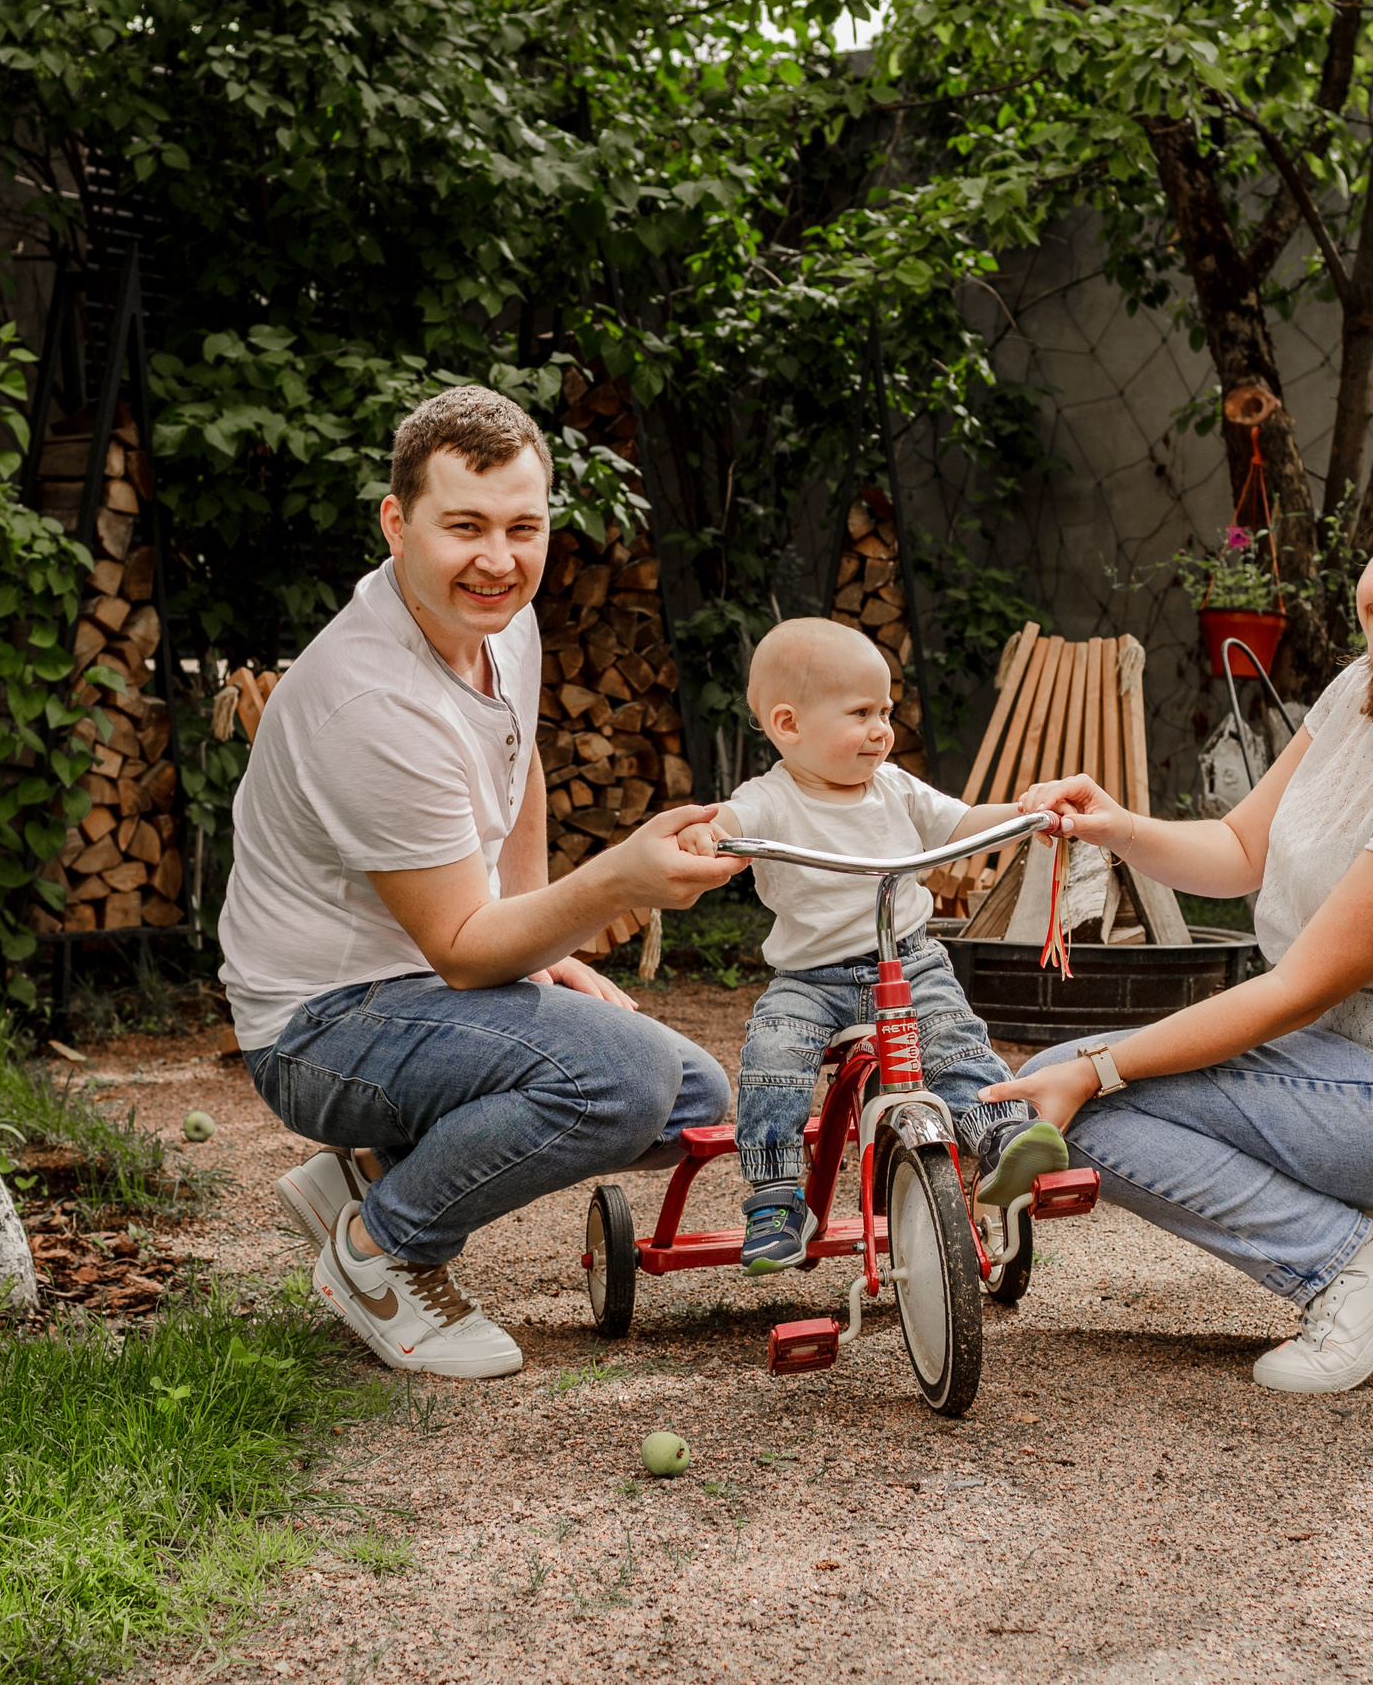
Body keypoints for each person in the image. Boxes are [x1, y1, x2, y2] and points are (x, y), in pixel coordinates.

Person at [983, 460, 1373, 1394]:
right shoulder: (1359, 692)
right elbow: (1237, 849)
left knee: (1085, 1103)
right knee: (1077, 1081)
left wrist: (1098, 1067)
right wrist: (1114, 823)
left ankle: (1348, 1266)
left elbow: (1293, 989)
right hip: (1335, 1067)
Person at [219, 385, 747, 1379]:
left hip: (416, 983)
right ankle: (381, 1251)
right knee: (618, 1082)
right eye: (463, 526)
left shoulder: (500, 626)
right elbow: (462, 952)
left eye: (522, 527)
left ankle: (376, 1177)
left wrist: (545, 944)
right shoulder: (370, 698)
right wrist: (611, 881)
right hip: (322, 1026)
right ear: (398, 523)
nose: (497, 560)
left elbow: (519, 764)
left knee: (690, 1098)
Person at [675, 619, 1069, 1271]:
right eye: (862, 712)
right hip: (812, 977)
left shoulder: (894, 786)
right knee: (773, 1053)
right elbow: (731, 821)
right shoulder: (771, 797)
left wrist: (1026, 815)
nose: (883, 728)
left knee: (953, 1036)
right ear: (788, 724)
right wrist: (707, 832)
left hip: (910, 957)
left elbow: (962, 822)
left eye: (887, 710)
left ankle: (1003, 1141)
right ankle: (776, 1198)